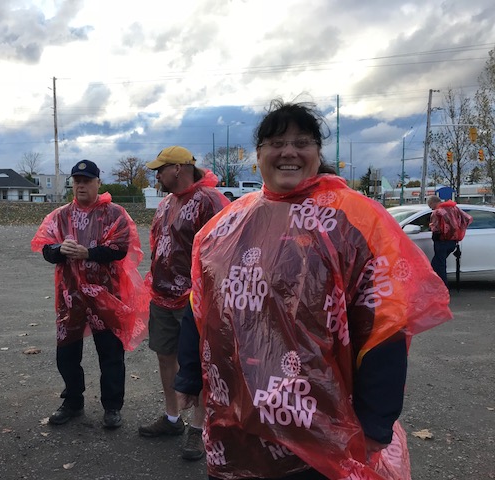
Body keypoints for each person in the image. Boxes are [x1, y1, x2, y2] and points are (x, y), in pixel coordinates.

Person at [175, 99, 453, 479]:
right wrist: (189, 378)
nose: (288, 151)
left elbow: (384, 327)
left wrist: (376, 423)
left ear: (317, 153)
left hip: (320, 424)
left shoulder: (356, 219)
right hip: (236, 418)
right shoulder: (223, 228)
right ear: (258, 154)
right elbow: (200, 309)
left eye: (302, 142)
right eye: (276, 142)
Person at [31, 159, 149, 429]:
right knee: (67, 352)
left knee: (110, 351)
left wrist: (89, 253)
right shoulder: (60, 216)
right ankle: (73, 401)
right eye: (77, 181)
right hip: (70, 294)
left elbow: (120, 248)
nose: (81, 185)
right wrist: (59, 249)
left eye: (86, 181)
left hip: (105, 293)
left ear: (98, 182)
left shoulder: (114, 213)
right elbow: (45, 249)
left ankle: (112, 407)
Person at [139, 146, 229, 461]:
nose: (157, 175)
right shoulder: (165, 204)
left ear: (178, 168)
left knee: (202, 363)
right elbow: (158, 245)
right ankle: (172, 417)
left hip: (197, 300)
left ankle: (198, 428)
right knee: (166, 356)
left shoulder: (210, 201)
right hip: (163, 296)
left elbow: (224, 251)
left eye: (160, 169)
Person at [427, 195, 472, 286]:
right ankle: (435, 284)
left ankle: (442, 286)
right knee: (436, 263)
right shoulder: (454, 208)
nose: (430, 208)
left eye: (430, 205)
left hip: (441, 241)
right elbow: (467, 218)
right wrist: (459, 230)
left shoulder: (437, 212)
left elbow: (435, 228)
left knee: (439, 265)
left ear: (433, 203)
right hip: (453, 241)